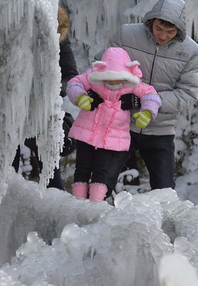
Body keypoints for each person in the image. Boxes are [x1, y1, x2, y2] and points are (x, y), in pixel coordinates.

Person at [101, 0, 198, 194]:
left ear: (179, 30)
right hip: (121, 123)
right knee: (101, 182)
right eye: (159, 29)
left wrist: (146, 101)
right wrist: (116, 93)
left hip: (160, 130)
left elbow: (189, 93)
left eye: (170, 31)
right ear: (151, 22)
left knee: (165, 191)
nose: (163, 35)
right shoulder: (126, 35)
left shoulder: (191, 51)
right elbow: (102, 69)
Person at [67, 47, 162, 201]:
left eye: (118, 78)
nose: (113, 82)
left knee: (101, 171)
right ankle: (78, 203)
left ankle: (95, 205)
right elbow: (74, 83)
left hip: (112, 138)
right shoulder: (93, 78)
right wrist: (79, 97)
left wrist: (147, 112)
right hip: (86, 132)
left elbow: (151, 95)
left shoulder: (133, 84)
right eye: (109, 77)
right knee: (82, 169)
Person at [12, 6, 79, 189]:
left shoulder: (59, 36)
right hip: (8, 109)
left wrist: (49, 91)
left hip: (41, 110)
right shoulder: (10, 31)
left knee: (49, 166)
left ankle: (56, 208)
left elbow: (70, 75)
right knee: (7, 162)